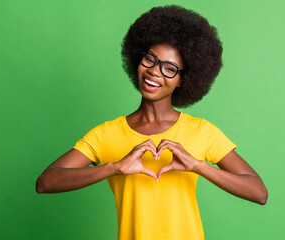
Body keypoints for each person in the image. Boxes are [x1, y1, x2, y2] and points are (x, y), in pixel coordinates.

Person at [36, 5, 268, 240]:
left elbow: (259, 192)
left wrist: (198, 166)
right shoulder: (106, 134)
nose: (154, 72)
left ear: (182, 80)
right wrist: (114, 167)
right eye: (150, 59)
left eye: (169, 68)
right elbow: (45, 182)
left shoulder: (202, 132)